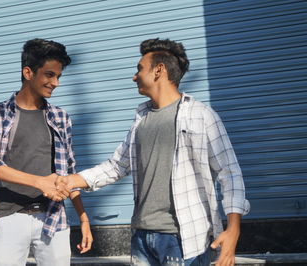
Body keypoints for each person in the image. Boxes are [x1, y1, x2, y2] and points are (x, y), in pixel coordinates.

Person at [57, 38, 250, 266]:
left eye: (139, 69)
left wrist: (233, 229)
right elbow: (117, 165)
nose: (134, 76)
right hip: (142, 236)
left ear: (159, 70)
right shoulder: (142, 119)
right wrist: (70, 181)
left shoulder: (200, 115)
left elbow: (230, 173)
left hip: (184, 239)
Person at [0, 38, 93, 266]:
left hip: (53, 218)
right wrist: (40, 182)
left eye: (58, 76)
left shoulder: (60, 117)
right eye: (50, 75)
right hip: (10, 215)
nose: (56, 83)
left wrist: (83, 218)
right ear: (28, 73)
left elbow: (69, 171)